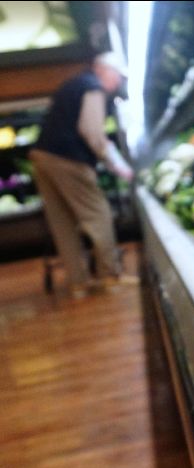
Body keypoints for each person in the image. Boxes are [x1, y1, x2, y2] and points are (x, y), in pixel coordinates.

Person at [29, 52, 136, 298]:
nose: (118, 82)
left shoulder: (73, 84)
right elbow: (91, 132)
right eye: (118, 76)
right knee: (98, 214)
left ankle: (79, 282)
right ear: (103, 70)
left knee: (63, 222)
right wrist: (117, 166)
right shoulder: (93, 87)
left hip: (41, 156)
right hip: (68, 159)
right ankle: (110, 275)